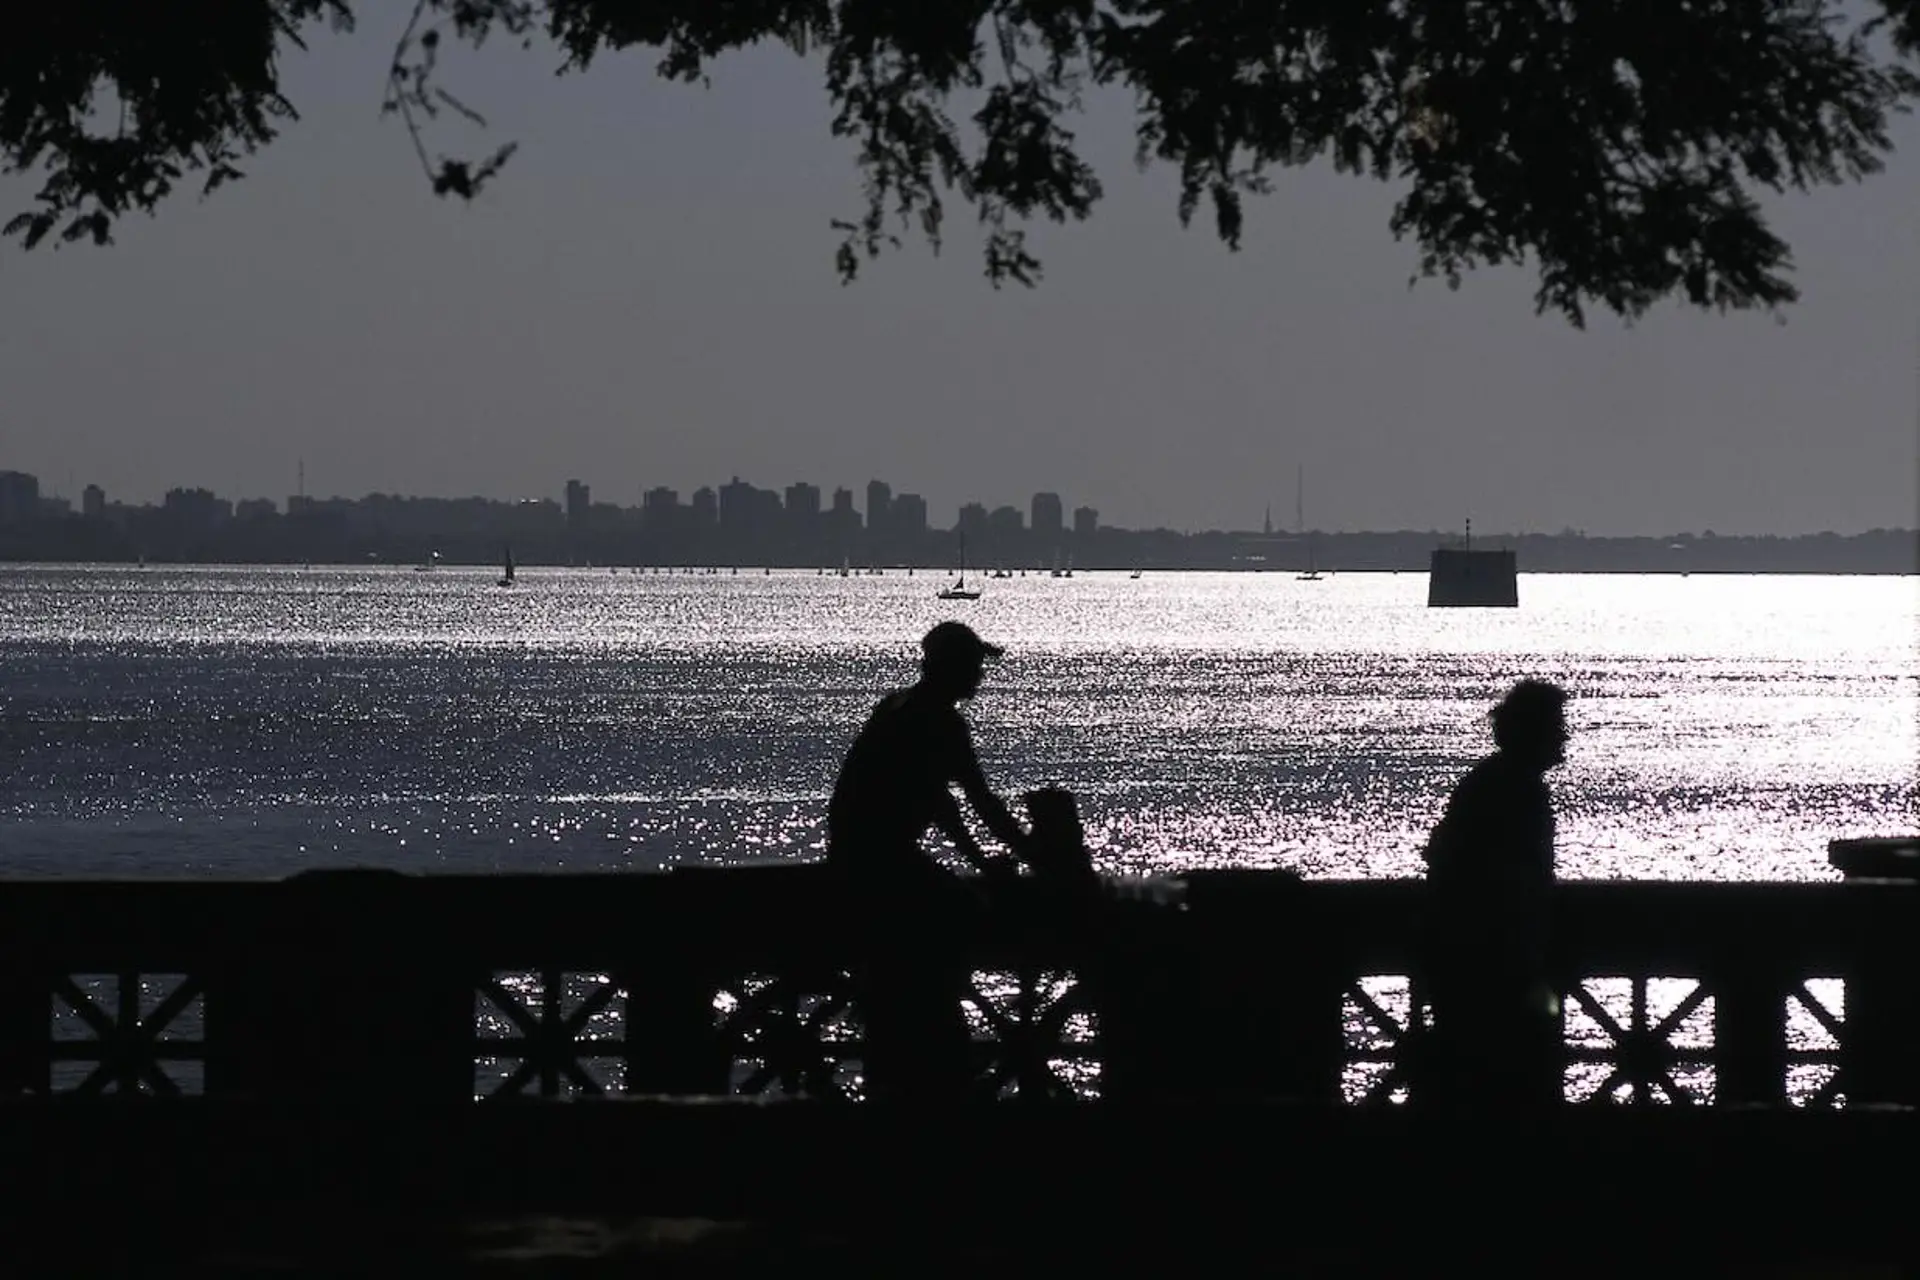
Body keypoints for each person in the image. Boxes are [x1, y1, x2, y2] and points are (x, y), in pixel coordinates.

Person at [828, 621, 1033, 1100]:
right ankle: (936, 1021)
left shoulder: (895, 708)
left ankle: (912, 1017)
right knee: (958, 914)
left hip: (857, 853)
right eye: (975, 666)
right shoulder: (941, 723)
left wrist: (982, 861)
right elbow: (979, 802)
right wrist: (1028, 857)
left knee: (934, 923)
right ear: (953, 668)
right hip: (882, 860)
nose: (980, 676)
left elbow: (945, 808)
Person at [1419, 679, 1569, 1109]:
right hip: (1497, 966)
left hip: (1477, 961)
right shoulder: (1515, 792)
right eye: (1556, 725)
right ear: (1534, 732)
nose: (1564, 736)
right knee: (1513, 1076)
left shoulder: (1490, 784)